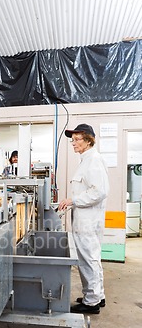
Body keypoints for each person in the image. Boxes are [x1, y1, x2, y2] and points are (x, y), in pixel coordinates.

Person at [58, 124, 109, 314]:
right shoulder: (86, 160)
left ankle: (91, 302)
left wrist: (74, 200)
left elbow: (99, 191)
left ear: (89, 141)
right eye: (73, 139)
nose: (74, 143)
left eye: (78, 139)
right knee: (92, 258)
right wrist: (72, 202)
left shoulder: (93, 160)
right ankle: (97, 295)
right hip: (86, 218)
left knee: (88, 258)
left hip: (88, 220)